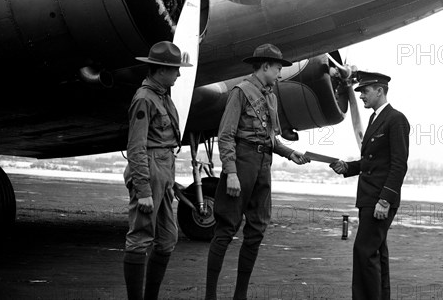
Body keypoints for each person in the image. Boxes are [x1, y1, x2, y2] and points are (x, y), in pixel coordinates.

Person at [205, 43, 310, 300]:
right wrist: (230, 172)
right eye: (277, 69)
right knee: (226, 229)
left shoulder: (270, 96)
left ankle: (240, 295)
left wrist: (289, 152)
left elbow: (270, 137)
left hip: (263, 165)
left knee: (257, 230)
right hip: (242, 163)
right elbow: (226, 135)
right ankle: (210, 295)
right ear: (265, 66)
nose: (279, 74)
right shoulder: (240, 92)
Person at [330, 71, 410, 300]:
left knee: (363, 252)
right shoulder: (376, 118)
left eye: (365, 91)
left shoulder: (396, 119)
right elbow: (372, 161)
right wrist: (348, 167)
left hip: (379, 199)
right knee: (376, 252)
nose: (362, 96)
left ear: (380, 91)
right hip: (370, 198)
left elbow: (398, 165)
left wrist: (385, 200)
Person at [123, 41, 192, 300]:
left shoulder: (161, 95)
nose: (179, 74)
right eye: (175, 69)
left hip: (163, 169)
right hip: (149, 169)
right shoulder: (144, 99)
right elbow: (136, 147)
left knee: (167, 239)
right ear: (161, 70)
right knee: (140, 238)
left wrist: (169, 180)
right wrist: (143, 190)